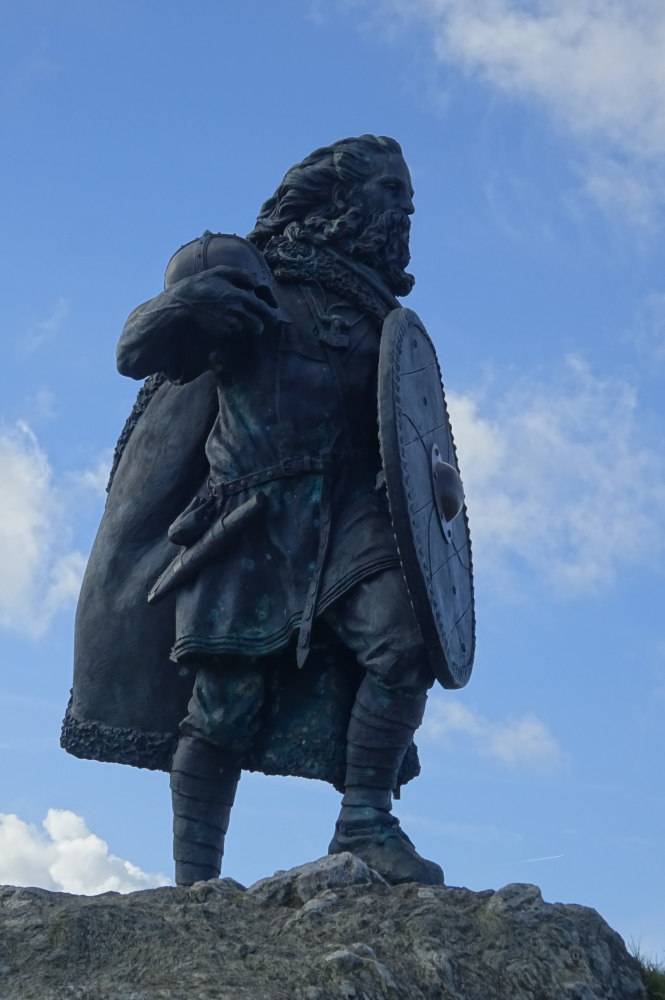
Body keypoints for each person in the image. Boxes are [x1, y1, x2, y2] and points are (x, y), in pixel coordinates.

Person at [115, 135, 444, 888]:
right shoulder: (250, 275)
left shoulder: (382, 320)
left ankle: (366, 821)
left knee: (405, 642)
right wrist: (184, 304)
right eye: (391, 191)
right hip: (250, 513)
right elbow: (134, 353)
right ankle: (196, 884)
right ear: (340, 198)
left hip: (351, 515)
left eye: (408, 196)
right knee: (224, 708)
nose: (405, 210)